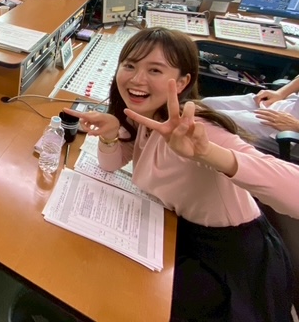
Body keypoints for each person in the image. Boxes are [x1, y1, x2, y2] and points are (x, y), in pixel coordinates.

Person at [64, 27, 298, 321]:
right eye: (130, 65)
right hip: (180, 231)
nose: (137, 79)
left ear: (183, 81)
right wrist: (111, 135)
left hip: (227, 261)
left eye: (155, 70)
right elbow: (110, 165)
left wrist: (208, 153)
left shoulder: (198, 129)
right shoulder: (146, 114)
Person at [203, 76, 299, 154]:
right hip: (288, 103)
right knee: (205, 104)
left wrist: (296, 125)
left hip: (290, 129)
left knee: (211, 119)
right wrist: (280, 93)